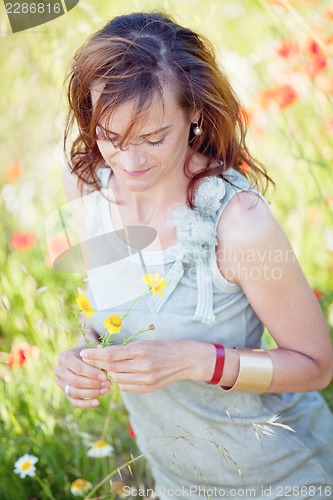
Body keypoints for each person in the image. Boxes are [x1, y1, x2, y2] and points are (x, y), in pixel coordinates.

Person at [54, 11, 333, 499]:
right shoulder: (87, 187)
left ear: (195, 113)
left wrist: (196, 361)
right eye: (110, 137)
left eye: (154, 138)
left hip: (284, 478)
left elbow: (316, 366)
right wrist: (83, 357)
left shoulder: (239, 222)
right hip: (179, 485)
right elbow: (113, 309)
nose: (129, 162)